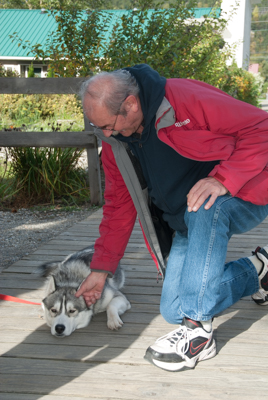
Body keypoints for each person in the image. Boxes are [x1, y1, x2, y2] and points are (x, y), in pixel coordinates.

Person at [76, 64, 268, 372]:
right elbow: (118, 205)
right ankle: (257, 270)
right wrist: (100, 270)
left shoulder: (184, 98)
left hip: (241, 193)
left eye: (108, 125)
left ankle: (198, 334)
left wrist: (223, 178)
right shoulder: (115, 142)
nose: (106, 134)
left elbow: (262, 126)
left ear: (131, 104)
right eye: (99, 128)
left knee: (204, 208)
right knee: (173, 308)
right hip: (186, 219)